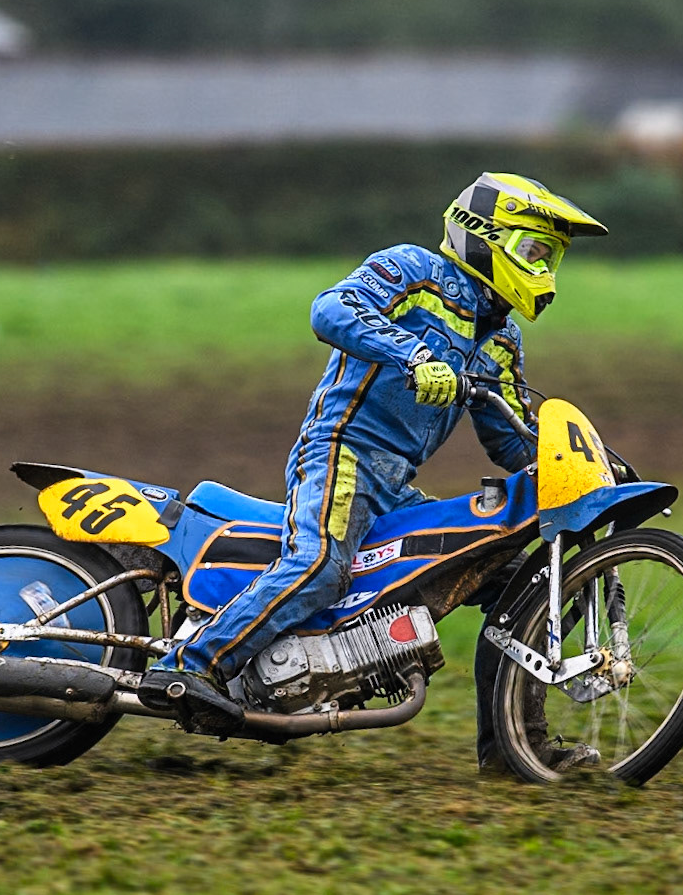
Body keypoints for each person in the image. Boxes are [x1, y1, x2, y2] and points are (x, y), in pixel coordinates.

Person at [137, 172, 608, 737]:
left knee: (515, 580)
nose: (545, 270)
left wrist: (574, 461)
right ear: (487, 235)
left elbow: (508, 439)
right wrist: (412, 355)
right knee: (320, 566)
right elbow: (331, 308)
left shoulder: (502, 342)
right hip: (341, 454)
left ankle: (518, 744)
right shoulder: (415, 271)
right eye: (535, 251)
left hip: (395, 485)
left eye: (551, 257)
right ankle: (190, 668)